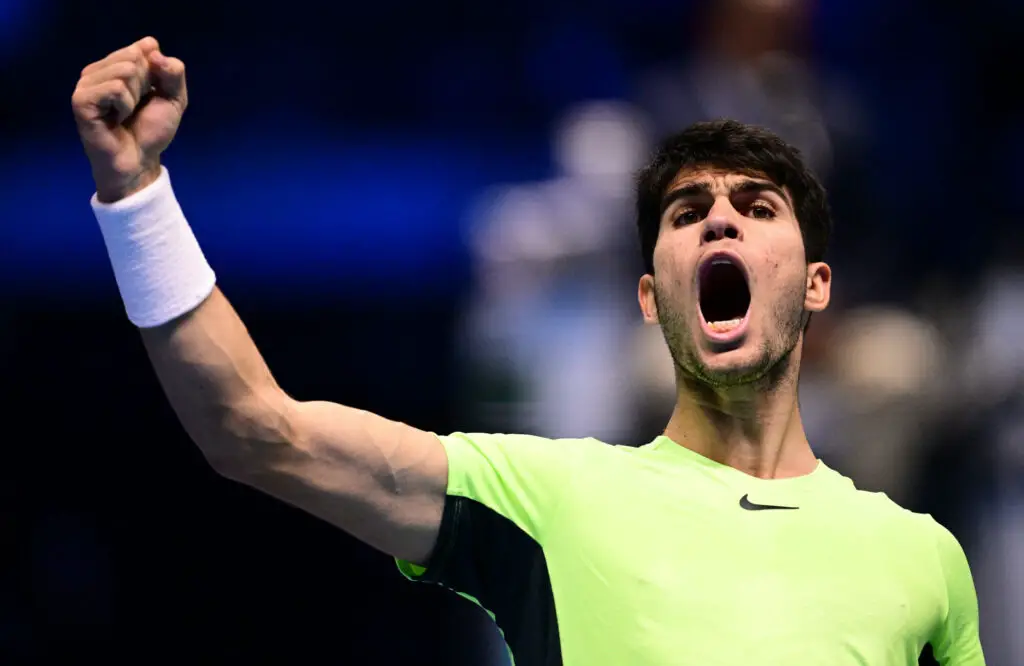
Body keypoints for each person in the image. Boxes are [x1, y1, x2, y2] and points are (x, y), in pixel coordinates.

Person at [72, 37, 984, 665]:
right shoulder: (546, 499)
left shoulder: (922, 559)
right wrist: (136, 193)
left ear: (818, 285)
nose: (718, 221)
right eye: (685, 213)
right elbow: (252, 428)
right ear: (648, 298)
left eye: (756, 208)